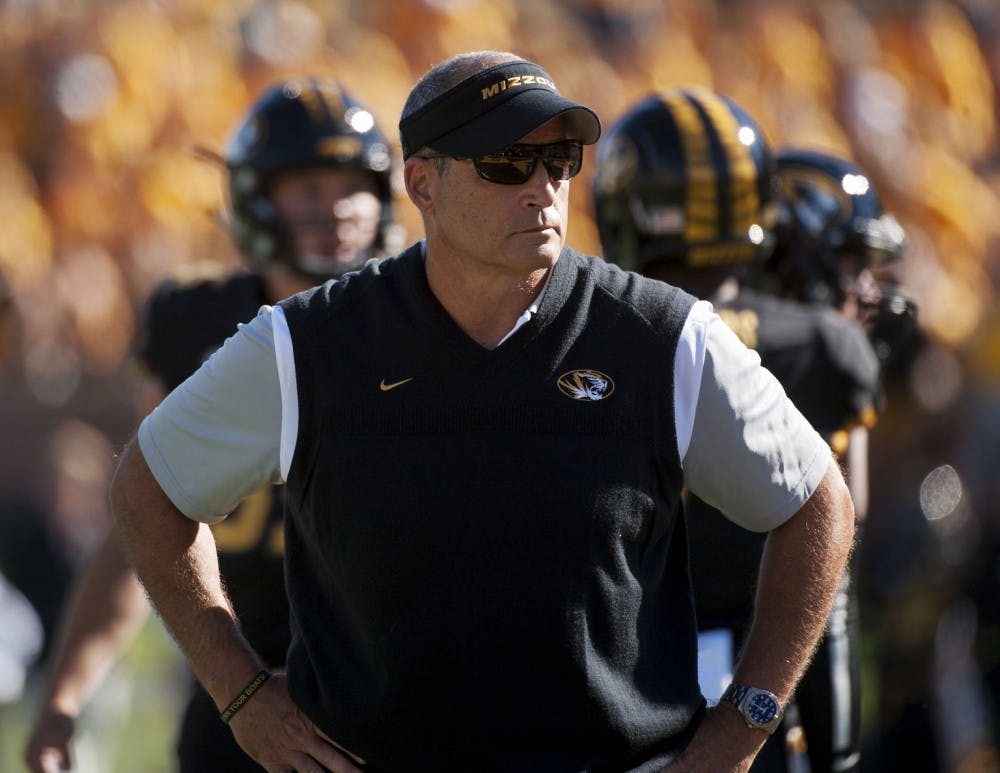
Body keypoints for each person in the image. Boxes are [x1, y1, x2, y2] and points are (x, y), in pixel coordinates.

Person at [109, 50, 855, 772]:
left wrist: (743, 725)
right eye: (506, 162)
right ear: (422, 184)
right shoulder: (306, 343)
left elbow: (818, 505)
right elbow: (147, 489)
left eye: (560, 159)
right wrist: (239, 692)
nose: (542, 186)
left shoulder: (665, 336)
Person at [24, 75, 395, 773]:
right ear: (256, 198)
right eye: (308, 189)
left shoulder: (418, 318)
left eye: (353, 185)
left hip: (387, 693)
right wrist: (65, 696)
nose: (338, 209)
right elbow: (141, 520)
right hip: (237, 680)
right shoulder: (196, 323)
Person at [592, 87, 905, 773]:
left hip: (617, 677)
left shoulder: (594, 331)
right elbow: (844, 519)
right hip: (762, 686)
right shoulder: (826, 347)